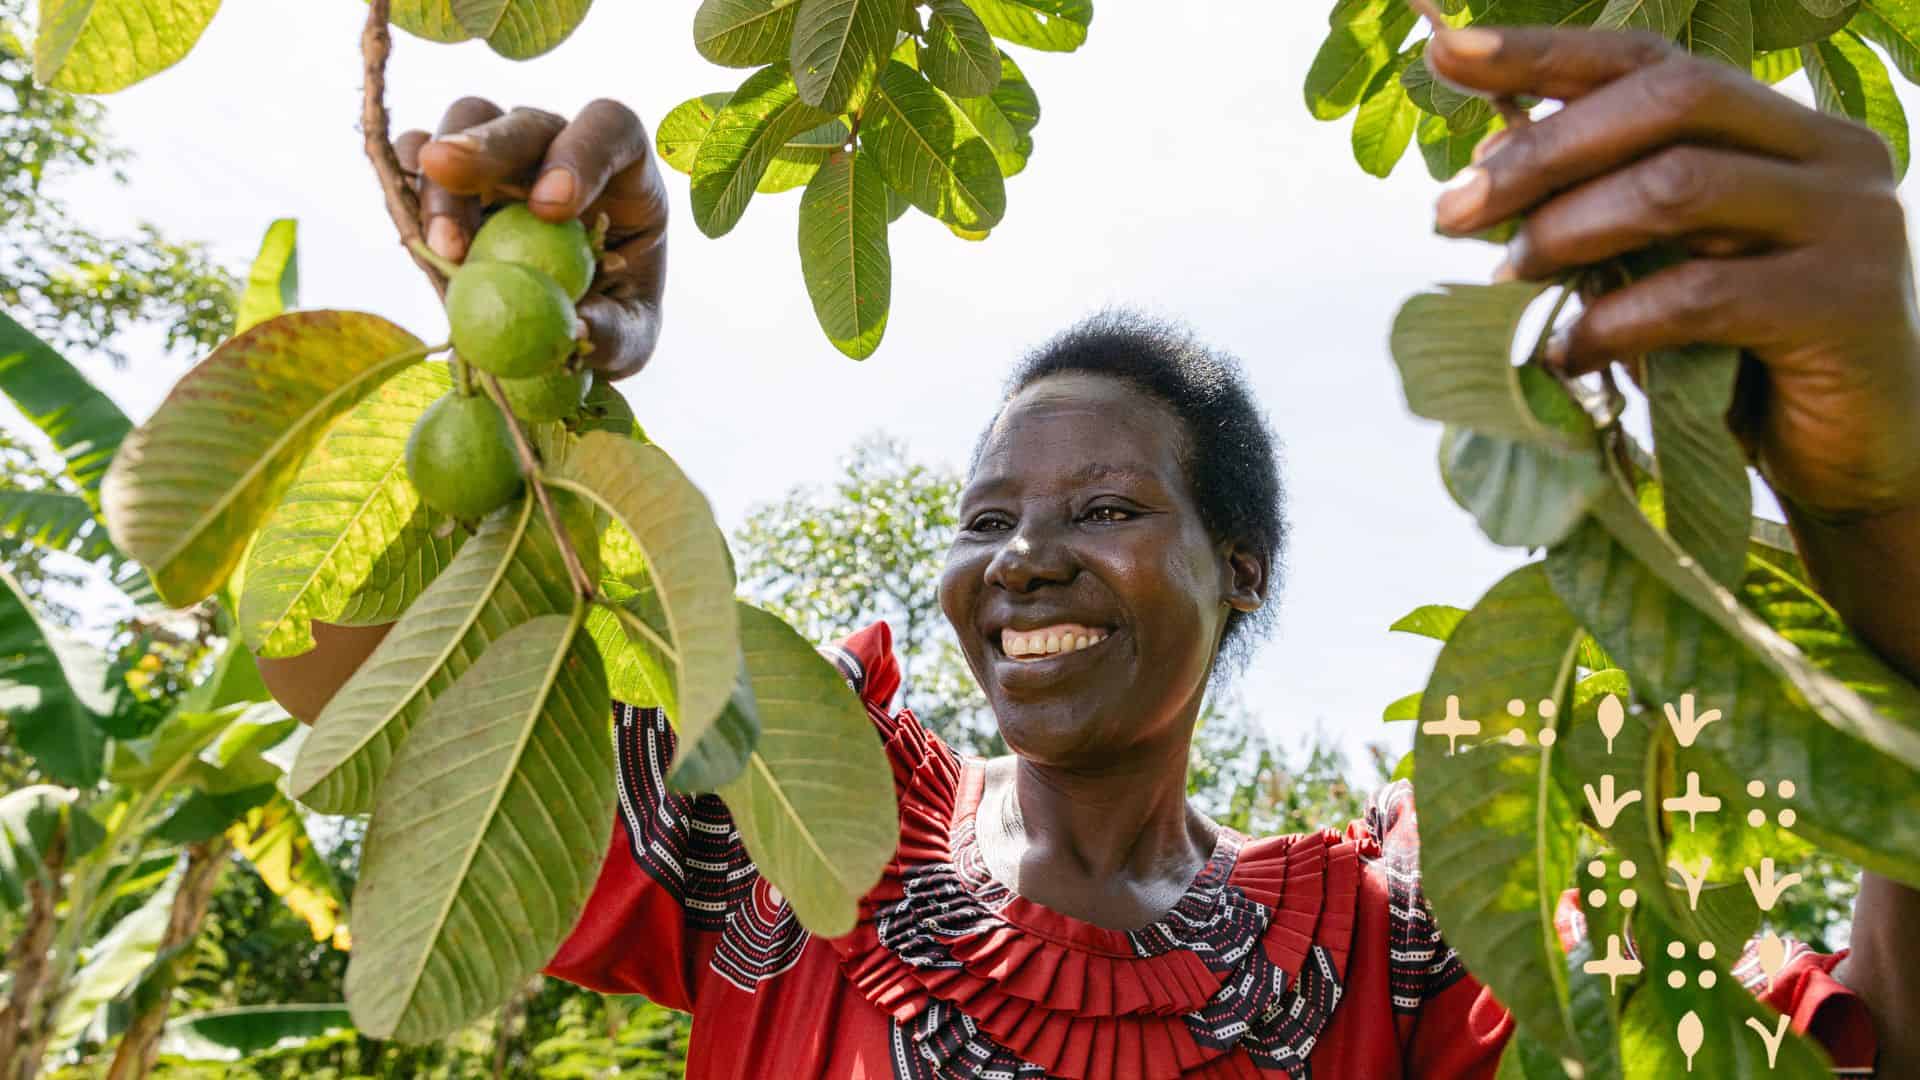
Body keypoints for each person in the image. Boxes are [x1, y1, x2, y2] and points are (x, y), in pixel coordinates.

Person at [262, 21, 1920, 1078]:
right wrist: (519, 353)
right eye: (988, 520)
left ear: (1240, 572)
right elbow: (342, 664)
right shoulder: (802, 820)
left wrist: (1877, 519)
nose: (1028, 556)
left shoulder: (1398, 931)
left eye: (1109, 510)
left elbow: (1863, 1044)